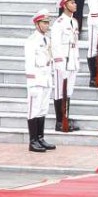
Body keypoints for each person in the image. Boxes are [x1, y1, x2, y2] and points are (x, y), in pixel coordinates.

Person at [24, 11, 56, 153]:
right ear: (37, 24)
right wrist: (32, 82)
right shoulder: (32, 41)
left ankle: (40, 138)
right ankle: (33, 141)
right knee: (33, 110)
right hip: (36, 80)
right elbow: (30, 63)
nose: (47, 25)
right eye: (44, 22)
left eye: (48, 22)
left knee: (42, 109)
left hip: (46, 79)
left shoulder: (47, 40)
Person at [50, 0, 80, 133]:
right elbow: (55, 46)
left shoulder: (74, 22)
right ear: (64, 5)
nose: (75, 4)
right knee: (59, 92)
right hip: (62, 63)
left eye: (74, 2)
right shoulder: (59, 23)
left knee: (68, 92)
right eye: (71, 2)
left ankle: (66, 118)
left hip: (72, 61)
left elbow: (75, 43)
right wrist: (59, 64)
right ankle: (59, 121)